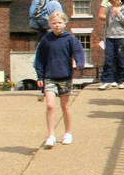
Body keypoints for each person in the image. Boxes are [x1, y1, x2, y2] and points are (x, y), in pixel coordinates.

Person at [34, 11, 85, 148]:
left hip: (65, 76)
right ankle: (51, 135)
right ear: (50, 24)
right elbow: (39, 59)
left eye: (59, 23)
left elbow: (78, 51)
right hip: (49, 76)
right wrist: (39, 76)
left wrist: (80, 64)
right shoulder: (46, 40)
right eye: (54, 23)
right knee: (50, 105)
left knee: (65, 106)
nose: (57, 25)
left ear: (65, 23)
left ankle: (68, 132)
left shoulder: (70, 38)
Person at [97, 0, 124, 89]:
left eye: (114, 1)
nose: (112, 4)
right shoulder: (109, 9)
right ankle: (107, 80)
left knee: (121, 58)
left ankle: (120, 80)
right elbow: (107, 23)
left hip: (120, 36)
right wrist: (105, 36)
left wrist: (118, 13)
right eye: (111, 2)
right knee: (109, 58)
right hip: (109, 37)